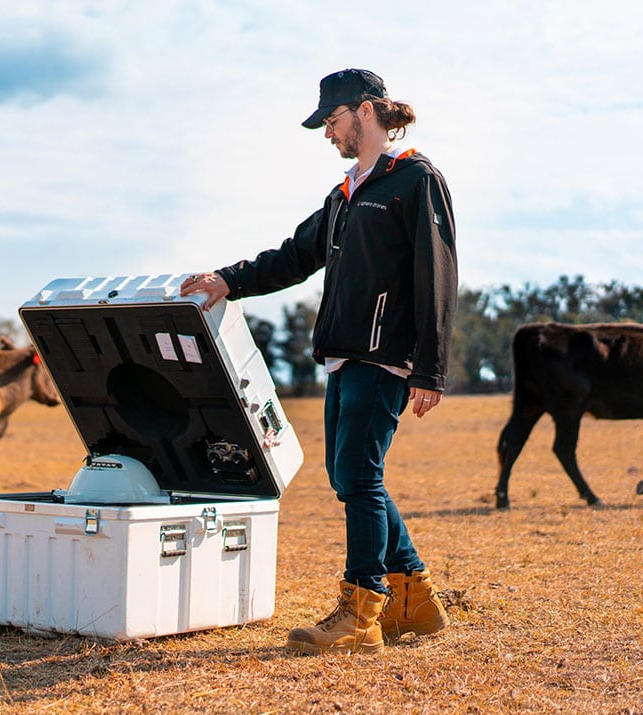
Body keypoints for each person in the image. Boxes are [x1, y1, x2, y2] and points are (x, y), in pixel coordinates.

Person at [181, 68, 457, 655]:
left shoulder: (415, 180)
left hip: (385, 358)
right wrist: (226, 280)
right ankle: (415, 598)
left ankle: (361, 613)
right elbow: (292, 257)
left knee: (358, 476)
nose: (327, 134)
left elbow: (437, 275)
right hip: (341, 357)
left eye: (331, 121)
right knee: (352, 476)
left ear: (363, 111)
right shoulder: (344, 195)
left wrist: (431, 369)